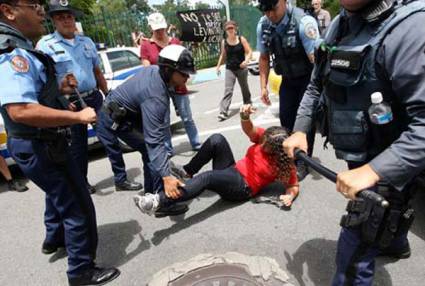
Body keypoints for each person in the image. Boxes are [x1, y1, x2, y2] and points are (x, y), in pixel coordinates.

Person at [283, 0, 425, 284]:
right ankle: (395, 243)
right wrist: (301, 130)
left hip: (391, 164)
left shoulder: (411, 27)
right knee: (386, 223)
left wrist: (375, 171)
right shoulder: (339, 25)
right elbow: (315, 86)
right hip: (357, 157)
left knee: (351, 261)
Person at [0, 1, 119, 285]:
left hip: (39, 144)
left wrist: (60, 88)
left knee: (62, 195)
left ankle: (54, 240)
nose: (41, 11)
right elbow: (21, 110)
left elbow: (34, 94)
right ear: (9, 11)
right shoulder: (11, 53)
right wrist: (76, 117)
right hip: (40, 144)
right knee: (77, 204)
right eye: (33, 5)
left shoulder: (22, 47)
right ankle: (81, 272)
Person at [37, 1, 142, 193]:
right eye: (60, 17)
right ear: (53, 20)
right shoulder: (46, 45)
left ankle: (121, 179)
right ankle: (81, 184)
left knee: (110, 137)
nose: (66, 21)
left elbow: (96, 70)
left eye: (69, 16)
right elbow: (45, 81)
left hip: (94, 97)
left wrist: (107, 94)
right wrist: (61, 101)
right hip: (70, 102)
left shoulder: (86, 42)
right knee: (78, 146)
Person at [134, 104, 299, 215]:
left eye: (265, 145)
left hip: (242, 187)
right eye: (263, 140)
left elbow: (293, 185)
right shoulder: (268, 137)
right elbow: (250, 130)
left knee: (209, 177)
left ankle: (157, 202)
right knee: (217, 139)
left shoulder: (284, 164)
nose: (261, 143)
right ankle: (187, 172)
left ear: (277, 150)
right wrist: (244, 116)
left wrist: (289, 196)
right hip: (232, 171)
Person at [96, 44, 194, 217]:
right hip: (116, 119)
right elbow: (154, 141)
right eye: (184, 73)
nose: (188, 77)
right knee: (152, 152)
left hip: (123, 114)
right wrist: (166, 176)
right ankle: (160, 202)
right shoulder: (156, 96)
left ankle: (151, 193)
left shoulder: (156, 72)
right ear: (169, 69)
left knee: (153, 153)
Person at [256, 0, 320, 181]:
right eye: (265, 10)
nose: (270, 14)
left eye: (273, 9)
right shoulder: (264, 25)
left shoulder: (303, 23)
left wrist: (322, 91)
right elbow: (263, 57)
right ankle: (290, 157)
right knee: (285, 119)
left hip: (309, 80)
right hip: (288, 79)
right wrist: (263, 86)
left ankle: (303, 162)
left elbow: (316, 61)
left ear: (284, 2)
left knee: (304, 121)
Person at [141, 12, 201, 152]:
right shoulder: (146, 45)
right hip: (160, 87)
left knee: (187, 117)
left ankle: (197, 143)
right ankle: (168, 150)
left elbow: (184, 60)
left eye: (161, 29)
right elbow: (146, 68)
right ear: (151, 28)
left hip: (178, 85)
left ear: (166, 26)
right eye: (156, 30)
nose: (160, 32)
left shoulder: (174, 42)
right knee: (164, 120)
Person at [216, 20, 253, 122]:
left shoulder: (241, 39)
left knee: (244, 88)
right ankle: (223, 111)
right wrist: (218, 66)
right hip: (230, 69)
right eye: (228, 29)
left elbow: (249, 51)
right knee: (228, 90)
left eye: (232, 28)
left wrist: (246, 61)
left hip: (241, 68)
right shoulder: (224, 42)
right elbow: (223, 55)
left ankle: (248, 103)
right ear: (226, 31)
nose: (230, 30)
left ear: (235, 29)